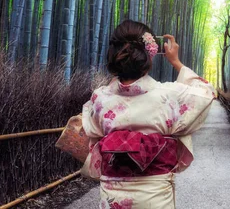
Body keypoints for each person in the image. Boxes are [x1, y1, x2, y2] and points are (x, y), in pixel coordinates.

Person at [81, 20, 215, 209]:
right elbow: (206, 92)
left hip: (113, 196)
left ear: (113, 54)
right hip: (155, 195)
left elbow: (92, 135)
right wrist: (176, 62)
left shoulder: (99, 98)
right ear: (149, 56)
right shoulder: (169, 96)